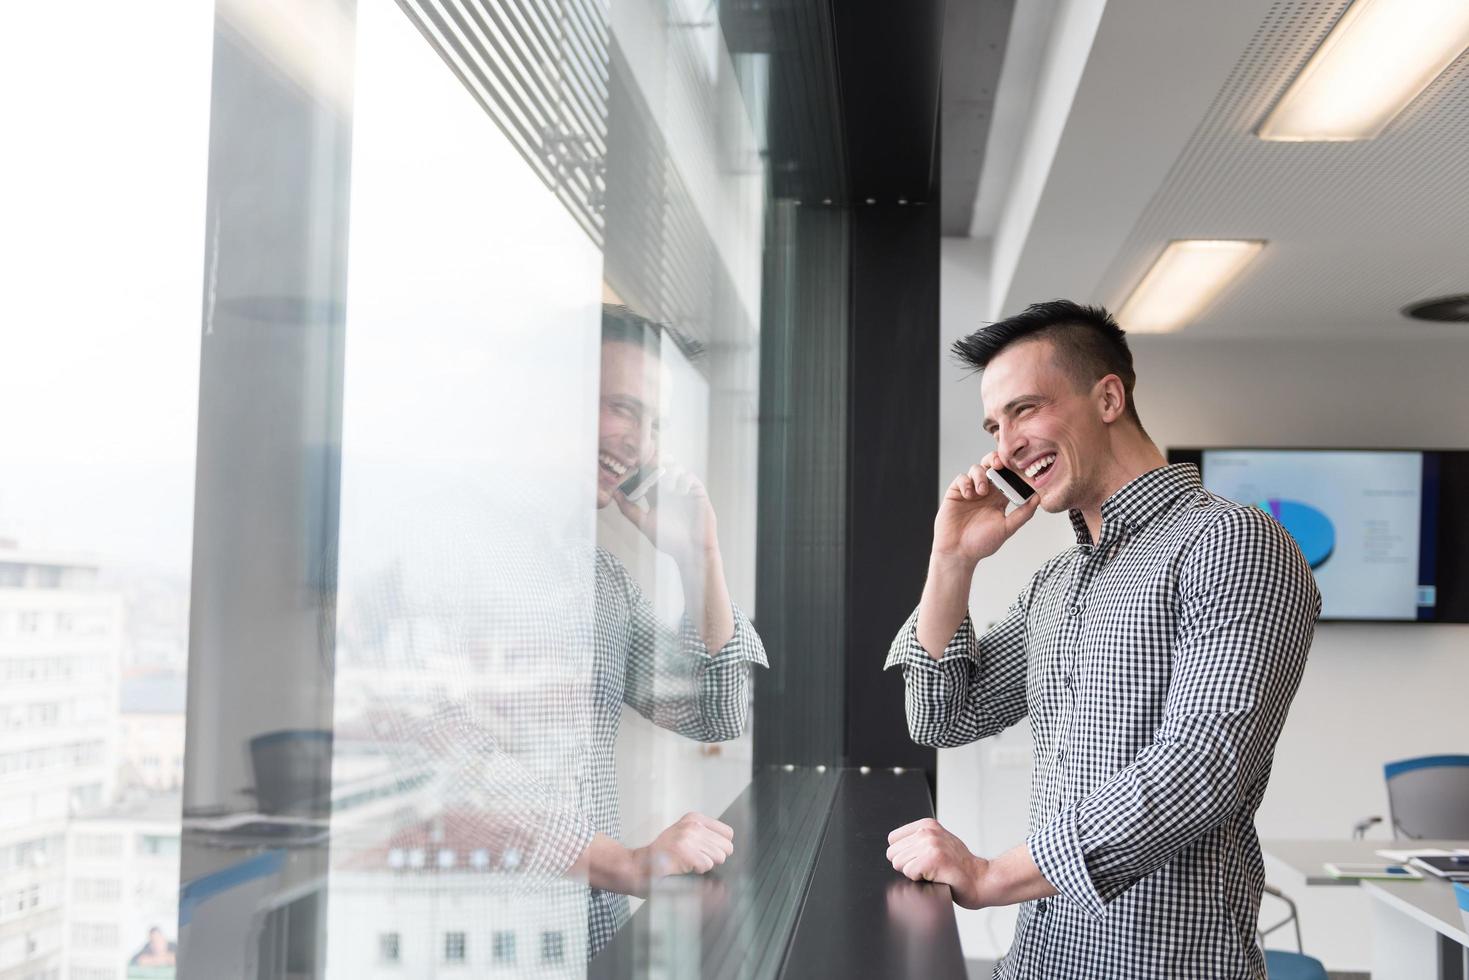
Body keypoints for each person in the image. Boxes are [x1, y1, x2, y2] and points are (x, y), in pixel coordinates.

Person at [881, 300, 1319, 978]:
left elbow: (1203, 764)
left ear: (1107, 397)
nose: (1006, 446)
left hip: (1163, 965)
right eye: (995, 426)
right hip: (1039, 960)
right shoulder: (1057, 581)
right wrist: (952, 560)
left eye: (1025, 410)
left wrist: (993, 875)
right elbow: (941, 716)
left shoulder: (1230, 541)